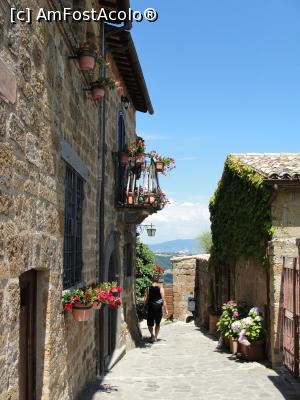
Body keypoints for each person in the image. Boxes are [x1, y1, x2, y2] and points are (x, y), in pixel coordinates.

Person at [143, 275, 168, 342]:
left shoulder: (147, 289)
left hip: (151, 307)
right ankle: (156, 337)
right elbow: (163, 299)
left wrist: (144, 307)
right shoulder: (161, 288)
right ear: (158, 280)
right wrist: (166, 309)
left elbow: (146, 299)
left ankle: (152, 335)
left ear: (152, 280)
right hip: (158, 308)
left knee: (149, 323)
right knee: (157, 323)